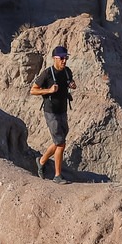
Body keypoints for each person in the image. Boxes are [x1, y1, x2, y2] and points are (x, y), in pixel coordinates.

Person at [30, 45, 75, 180]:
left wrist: (72, 85)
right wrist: (48, 91)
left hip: (63, 110)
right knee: (60, 143)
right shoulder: (47, 73)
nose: (64, 61)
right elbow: (33, 90)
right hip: (51, 111)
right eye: (61, 58)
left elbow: (70, 82)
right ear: (54, 58)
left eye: (65, 58)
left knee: (59, 141)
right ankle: (57, 175)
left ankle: (42, 161)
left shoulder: (67, 71)